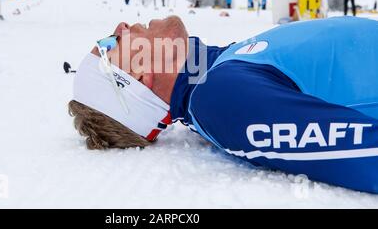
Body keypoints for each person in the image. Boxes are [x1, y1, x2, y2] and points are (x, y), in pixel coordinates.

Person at [70, 16, 378, 194]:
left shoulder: (214, 72)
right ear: (138, 76)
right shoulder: (220, 97)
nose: (122, 26)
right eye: (109, 44)